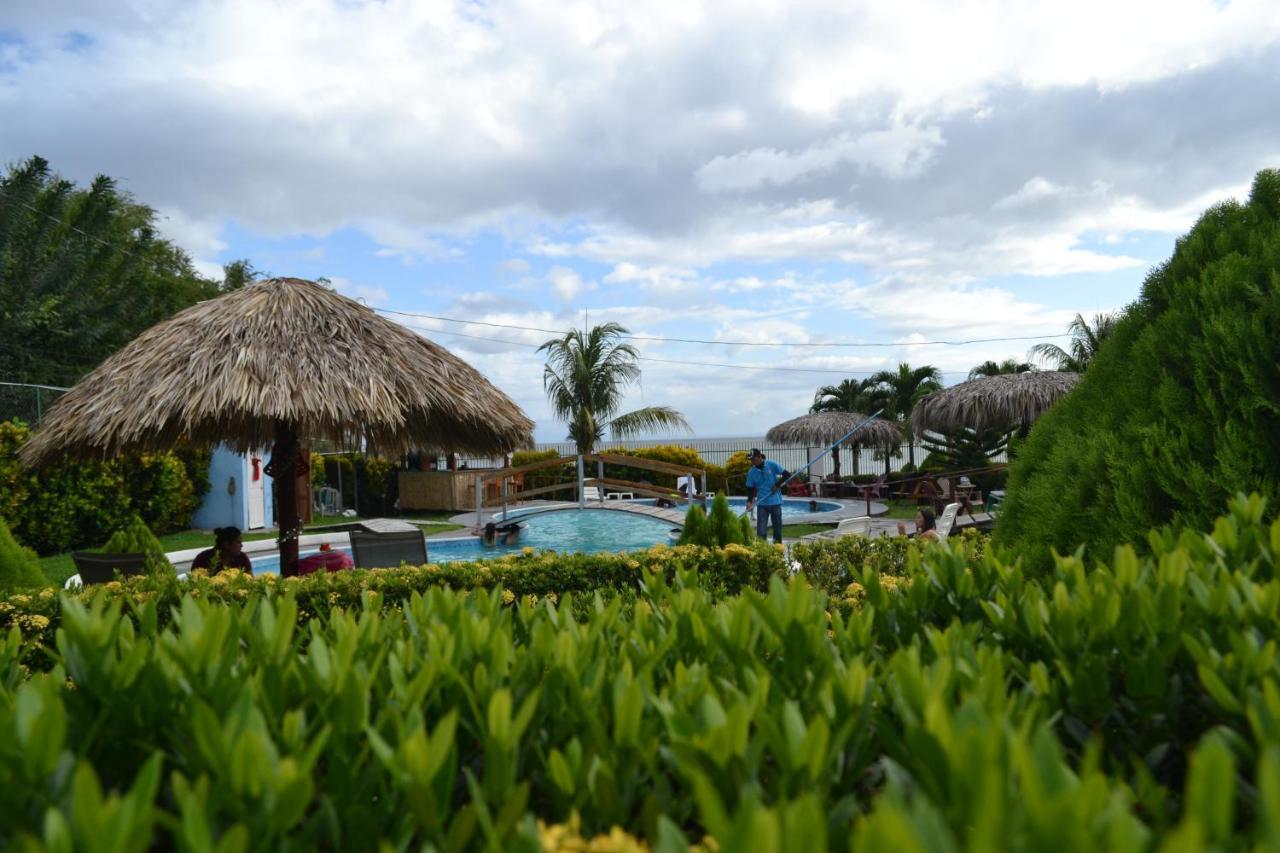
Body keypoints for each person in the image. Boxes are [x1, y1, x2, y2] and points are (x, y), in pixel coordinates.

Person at [744, 448, 789, 544]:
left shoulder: (771, 465)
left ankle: (778, 548)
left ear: (760, 457)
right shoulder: (752, 472)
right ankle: (762, 549)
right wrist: (749, 502)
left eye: (754, 459)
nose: (752, 461)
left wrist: (777, 485)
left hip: (775, 502)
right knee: (761, 530)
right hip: (762, 504)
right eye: (751, 460)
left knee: (777, 530)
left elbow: (787, 474)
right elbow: (750, 489)